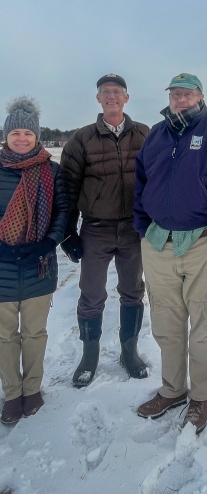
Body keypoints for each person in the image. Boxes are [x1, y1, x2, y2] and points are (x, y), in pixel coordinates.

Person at [134, 73, 207, 434]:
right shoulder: (157, 133)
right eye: (175, 94)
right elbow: (141, 180)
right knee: (167, 325)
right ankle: (173, 390)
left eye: (187, 93)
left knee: (202, 327)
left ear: (200, 96)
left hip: (203, 243)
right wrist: (141, 227)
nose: (180, 99)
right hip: (157, 244)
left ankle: (201, 396)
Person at [60, 74, 149, 387]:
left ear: (126, 97)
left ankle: (129, 351)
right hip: (95, 229)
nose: (111, 96)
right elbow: (68, 187)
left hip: (133, 230)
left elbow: (158, 180)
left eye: (116, 92)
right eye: (105, 92)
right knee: (92, 293)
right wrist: (68, 231)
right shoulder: (81, 139)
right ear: (98, 99)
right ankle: (90, 355)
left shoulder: (144, 134)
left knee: (133, 291)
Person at [0, 97, 70, 425]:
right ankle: (12, 393)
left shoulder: (52, 171)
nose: (22, 138)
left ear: (37, 136)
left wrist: (46, 243)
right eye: (16, 133)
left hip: (38, 264)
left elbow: (63, 213)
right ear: (6, 135)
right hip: (1, 266)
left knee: (34, 332)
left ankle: (33, 388)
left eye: (28, 133)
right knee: (4, 336)